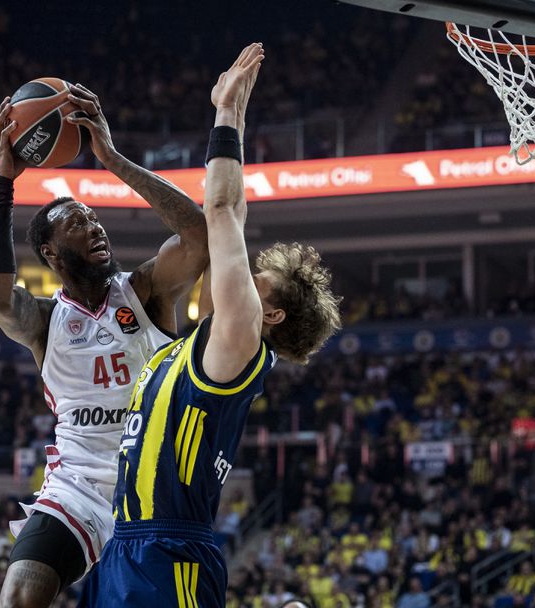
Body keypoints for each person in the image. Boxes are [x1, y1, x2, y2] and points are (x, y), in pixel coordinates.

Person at [79, 43, 342, 608]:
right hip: (125, 545)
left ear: (271, 314)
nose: (241, 275)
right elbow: (230, 217)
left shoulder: (240, 338)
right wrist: (236, 113)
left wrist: (225, 114)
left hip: (169, 550)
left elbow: (221, 212)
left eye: (256, 280)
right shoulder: (198, 342)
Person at [0, 77, 209, 606]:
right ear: (51, 253)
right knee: (19, 597)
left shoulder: (145, 292)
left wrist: (111, 158)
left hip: (152, 486)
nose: (95, 226)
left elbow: (199, 237)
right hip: (76, 489)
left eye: (95, 219)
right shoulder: (44, 320)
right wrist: (3, 181)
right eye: (78, 223)